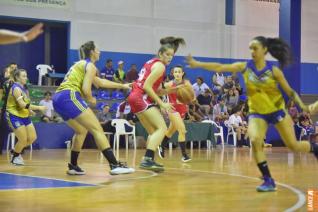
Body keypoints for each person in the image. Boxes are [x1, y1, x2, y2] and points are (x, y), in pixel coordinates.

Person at [186, 36, 318, 192]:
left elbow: (290, 92)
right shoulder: (245, 67)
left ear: (264, 50)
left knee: (294, 146)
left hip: (277, 110)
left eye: (255, 48)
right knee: (255, 140)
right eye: (250, 48)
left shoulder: (274, 71)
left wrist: (303, 106)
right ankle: (268, 179)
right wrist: (198, 64)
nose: (252, 51)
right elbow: (220, 67)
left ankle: (315, 149)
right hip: (257, 113)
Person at [52, 41, 134, 176]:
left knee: (81, 130)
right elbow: (85, 89)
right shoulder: (89, 65)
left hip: (58, 98)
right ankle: (114, 165)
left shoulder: (81, 65)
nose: (99, 52)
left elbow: (100, 82)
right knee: (97, 128)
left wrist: (123, 86)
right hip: (69, 96)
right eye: (98, 49)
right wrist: (90, 98)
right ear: (92, 52)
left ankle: (73, 165)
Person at [127, 36, 185, 172]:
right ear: (160, 54)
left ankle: (150, 159)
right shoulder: (160, 66)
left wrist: (170, 90)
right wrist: (162, 104)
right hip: (141, 97)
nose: (170, 58)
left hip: (134, 97)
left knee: (153, 132)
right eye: (167, 54)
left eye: (172, 55)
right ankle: (147, 160)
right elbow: (147, 86)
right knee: (163, 129)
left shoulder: (151, 62)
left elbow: (155, 89)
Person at [6, 69, 47, 165]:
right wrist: (39, 107)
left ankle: (15, 151)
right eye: (23, 76)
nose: (26, 78)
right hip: (14, 115)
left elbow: (26, 103)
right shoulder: (16, 88)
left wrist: (30, 110)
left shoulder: (24, 88)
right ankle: (15, 157)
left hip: (24, 116)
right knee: (23, 139)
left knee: (32, 138)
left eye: (26, 75)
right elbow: (22, 104)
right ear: (17, 77)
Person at [157, 65, 192, 162]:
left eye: (179, 72)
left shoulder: (187, 83)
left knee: (170, 131)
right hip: (172, 109)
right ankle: (184, 155)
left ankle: (161, 146)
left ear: (182, 73)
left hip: (182, 110)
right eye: (175, 72)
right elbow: (158, 93)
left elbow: (191, 96)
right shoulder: (168, 84)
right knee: (182, 130)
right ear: (173, 73)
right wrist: (162, 105)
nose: (177, 73)